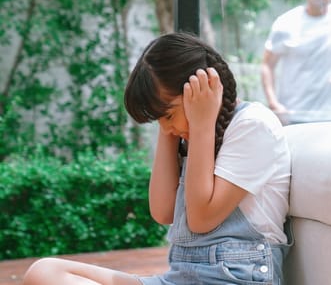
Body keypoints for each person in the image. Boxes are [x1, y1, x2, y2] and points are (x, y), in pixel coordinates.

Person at [23, 32, 292, 285]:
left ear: (198, 94)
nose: (167, 127)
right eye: (158, 119)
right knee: (45, 272)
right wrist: (170, 131)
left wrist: (201, 126)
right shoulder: (191, 135)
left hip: (234, 278)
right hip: (180, 278)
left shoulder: (253, 125)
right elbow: (162, 211)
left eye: (168, 115)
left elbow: (201, 219)